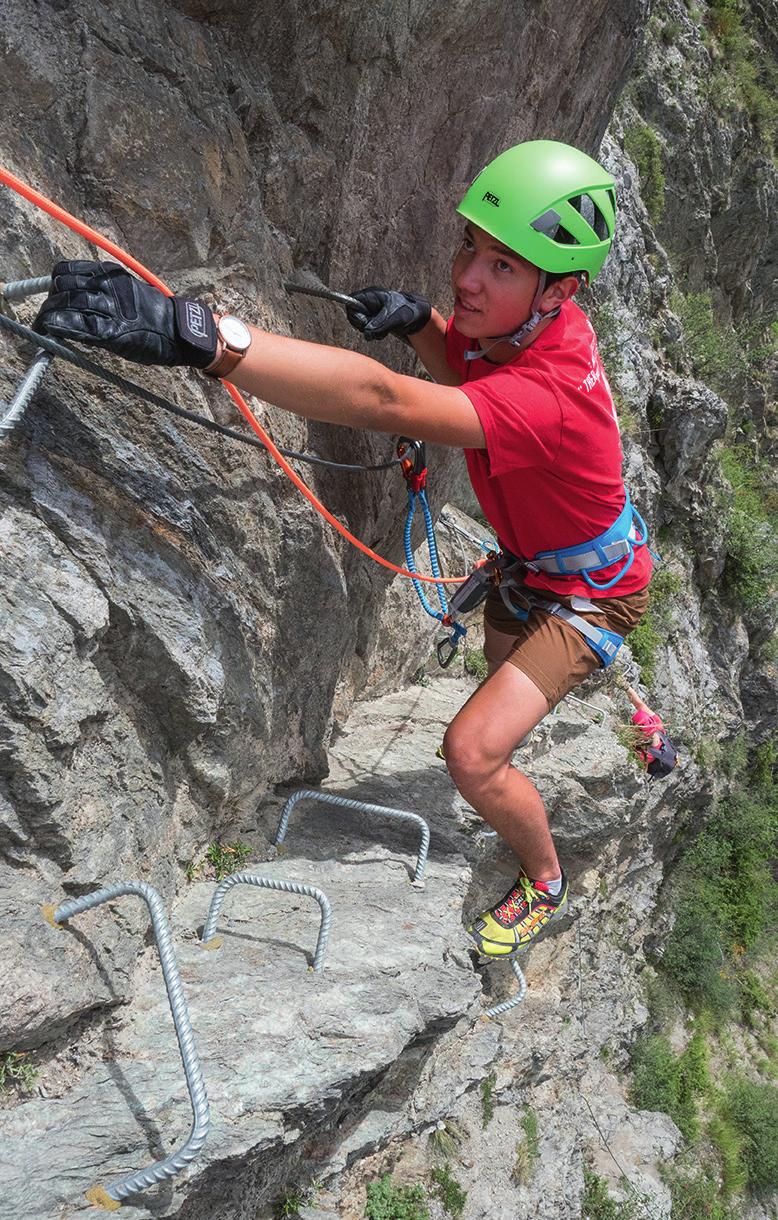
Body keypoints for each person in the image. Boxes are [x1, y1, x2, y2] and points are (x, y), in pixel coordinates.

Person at [35, 139, 652, 960]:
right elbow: (462, 366)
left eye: (501, 266)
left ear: (559, 290)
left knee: (470, 753)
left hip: (590, 593)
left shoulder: (552, 396)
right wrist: (420, 323)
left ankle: (543, 876)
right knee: (498, 714)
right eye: (470, 246)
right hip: (532, 565)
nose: (467, 275)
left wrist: (207, 339)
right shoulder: (519, 331)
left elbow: (382, 398)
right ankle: (511, 762)